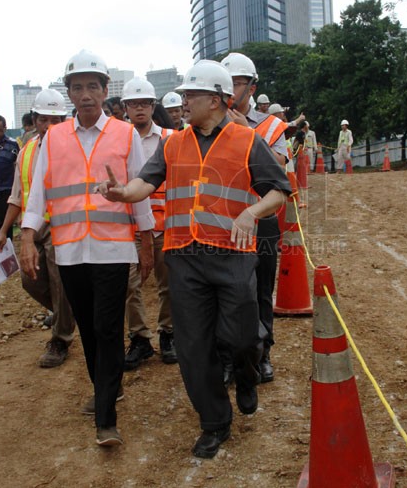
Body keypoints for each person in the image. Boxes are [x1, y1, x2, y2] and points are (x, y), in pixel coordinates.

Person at [95, 59, 289, 458]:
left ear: (217, 100)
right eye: (183, 95)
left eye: (192, 95)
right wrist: (121, 194)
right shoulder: (173, 144)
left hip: (233, 255)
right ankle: (214, 422)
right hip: (184, 255)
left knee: (240, 338)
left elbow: (279, 191)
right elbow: (144, 183)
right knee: (194, 346)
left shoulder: (247, 141)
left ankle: (247, 375)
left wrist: (251, 213)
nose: (184, 102)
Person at [19, 49, 154, 447]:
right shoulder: (54, 138)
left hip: (113, 250)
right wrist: (28, 236)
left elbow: (140, 191)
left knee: (107, 327)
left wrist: (146, 242)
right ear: (70, 94)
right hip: (70, 251)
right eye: (77, 88)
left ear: (105, 90)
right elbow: (39, 193)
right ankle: (106, 389)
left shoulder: (125, 134)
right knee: (90, 332)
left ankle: (106, 419)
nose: (85, 94)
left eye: (92, 86)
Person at [0, 89, 75, 369]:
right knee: (30, 281)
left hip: (60, 225)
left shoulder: (73, 150)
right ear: (35, 120)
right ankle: (68, 314)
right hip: (32, 228)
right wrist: (4, 230)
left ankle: (61, 339)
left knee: (59, 282)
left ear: (65, 120)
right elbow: (18, 194)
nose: (49, 126)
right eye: (44, 119)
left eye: (56, 120)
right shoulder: (27, 151)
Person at [222, 52, 288, 385]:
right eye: (228, 82)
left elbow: (277, 166)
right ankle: (229, 358)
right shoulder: (211, 123)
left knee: (261, 289)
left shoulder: (272, 124)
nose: (233, 90)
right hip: (224, 216)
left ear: (252, 86)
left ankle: (263, 355)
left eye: (238, 83)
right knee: (226, 291)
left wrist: (244, 133)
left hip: (262, 217)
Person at [119, 78, 177, 370]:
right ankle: (140, 338)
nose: (139, 108)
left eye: (144, 103)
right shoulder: (119, 139)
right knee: (131, 286)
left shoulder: (171, 138)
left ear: (154, 106)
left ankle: (168, 333)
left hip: (166, 226)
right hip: (130, 228)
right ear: (125, 107)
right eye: (133, 104)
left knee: (169, 285)